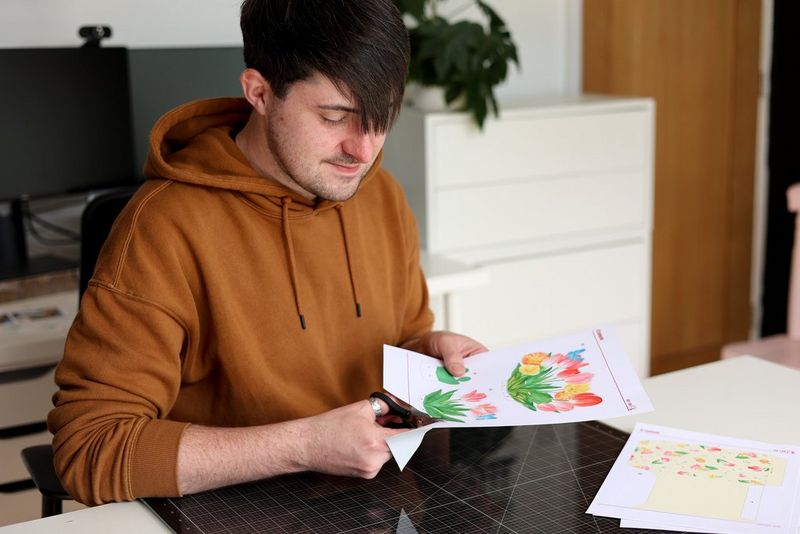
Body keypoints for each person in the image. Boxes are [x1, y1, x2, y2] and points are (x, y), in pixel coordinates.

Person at [48, 0, 487, 506]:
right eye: (335, 117)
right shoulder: (163, 226)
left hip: (376, 502)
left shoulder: (381, 194)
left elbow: (402, 335)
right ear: (258, 92)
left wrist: (426, 351)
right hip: (235, 511)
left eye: (382, 117)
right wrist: (303, 446)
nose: (364, 151)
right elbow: (91, 448)